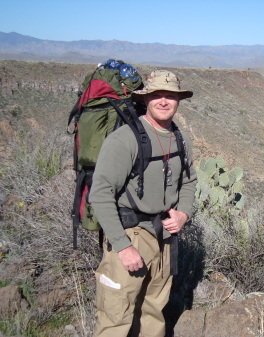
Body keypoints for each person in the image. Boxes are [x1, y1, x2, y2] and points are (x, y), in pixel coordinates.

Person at [89, 69, 197, 337]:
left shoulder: (180, 139)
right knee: (116, 315)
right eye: (157, 95)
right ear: (146, 99)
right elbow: (101, 194)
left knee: (154, 311)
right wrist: (123, 246)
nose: (164, 101)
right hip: (131, 235)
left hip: (165, 236)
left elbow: (189, 182)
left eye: (170, 95)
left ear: (178, 100)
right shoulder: (125, 139)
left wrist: (183, 213)